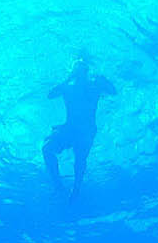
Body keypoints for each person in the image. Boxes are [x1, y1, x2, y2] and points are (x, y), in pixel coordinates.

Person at [42, 54, 116, 199]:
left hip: (86, 131)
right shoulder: (68, 88)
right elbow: (50, 95)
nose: (80, 73)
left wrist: (104, 80)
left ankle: (75, 190)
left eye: (82, 70)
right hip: (70, 128)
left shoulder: (94, 86)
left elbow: (113, 92)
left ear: (87, 72)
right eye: (77, 70)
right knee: (47, 149)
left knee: (80, 160)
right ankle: (59, 186)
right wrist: (68, 79)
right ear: (73, 72)